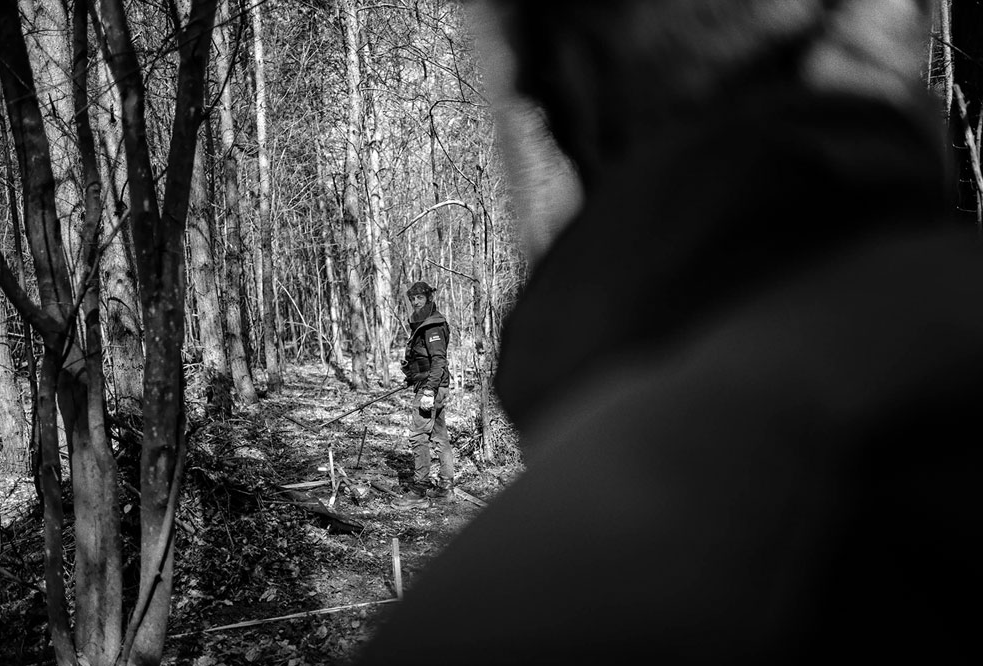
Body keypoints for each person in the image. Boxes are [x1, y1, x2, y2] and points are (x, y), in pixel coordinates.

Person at [356, 1, 982, 663]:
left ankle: (436, 480)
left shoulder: (508, 610)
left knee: (429, 439)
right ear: (892, 26)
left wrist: (423, 382)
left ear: (559, 82)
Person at [393, 281, 454, 509]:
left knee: (419, 436)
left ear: (429, 297)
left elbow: (439, 359)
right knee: (439, 435)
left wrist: (429, 390)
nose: (416, 301)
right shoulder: (425, 322)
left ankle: (418, 493)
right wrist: (412, 377)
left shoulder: (432, 325)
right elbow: (424, 359)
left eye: (420, 297)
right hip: (431, 385)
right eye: (413, 298)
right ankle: (445, 489)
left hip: (431, 388)